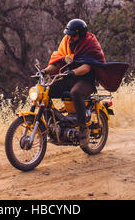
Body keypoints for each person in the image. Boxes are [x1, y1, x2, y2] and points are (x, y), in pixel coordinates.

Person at [42, 18, 106, 148]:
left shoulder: (89, 43)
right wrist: (45, 71)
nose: (69, 37)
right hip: (70, 78)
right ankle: (51, 125)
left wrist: (73, 72)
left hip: (86, 80)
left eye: (73, 35)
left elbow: (87, 67)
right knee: (46, 91)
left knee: (75, 93)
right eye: (68, 34)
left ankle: (83, 129)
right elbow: (58, 63)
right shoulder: (66, 42)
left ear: (81, 34)